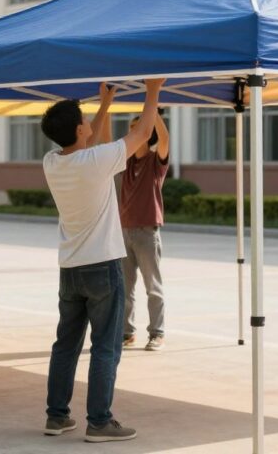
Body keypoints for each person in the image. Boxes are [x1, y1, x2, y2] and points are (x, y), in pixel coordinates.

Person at [40, 78, 165, 443]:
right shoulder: (94, 160)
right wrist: (153, 89)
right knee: (106, 347)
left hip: (70, 270)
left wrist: (104, 106)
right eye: (84, 119)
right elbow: (143, 132)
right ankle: (99, 421)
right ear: (80, 128)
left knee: (66, 344)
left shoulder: (52, 162)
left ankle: (57, 416)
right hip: (103, 268)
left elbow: (84, 145)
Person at [120, 113, 170, 351]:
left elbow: (165, 139)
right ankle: (127, 333)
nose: (131, 134)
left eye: (137, 130)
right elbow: (109, 142)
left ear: (146, 134)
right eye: (130, 130)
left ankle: (157, 333)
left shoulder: (155, 162)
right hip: (124, 231)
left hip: (147, 233)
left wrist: (153, 114)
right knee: (125, 287)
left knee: (153, 287)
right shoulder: (125, 161)